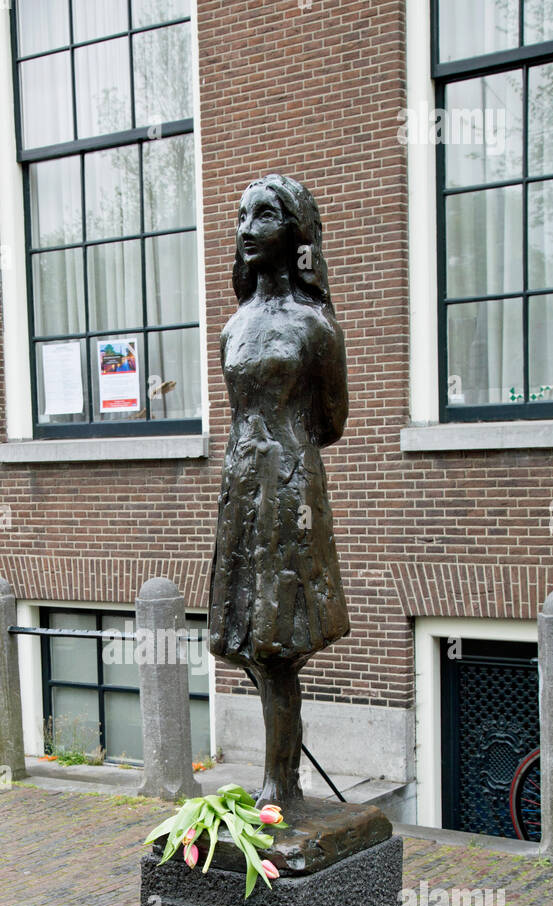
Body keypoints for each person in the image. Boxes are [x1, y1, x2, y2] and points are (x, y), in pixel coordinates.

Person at [208, 174, 349, 820]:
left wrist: (284, 458)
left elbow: (333, 421)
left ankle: (280, 782)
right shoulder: (232, 328)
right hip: (241, 486)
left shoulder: (315, 327)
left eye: (263, 216)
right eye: (241, 216)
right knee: (248, 640)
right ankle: (277, 774)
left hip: (289, 490)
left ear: (293, 235)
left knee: (277, 644)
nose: (245, 228)